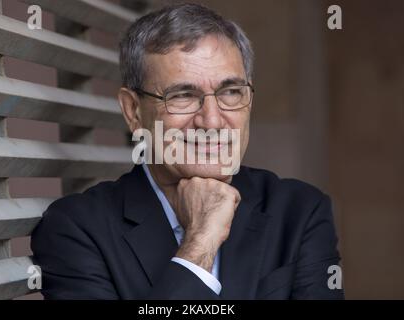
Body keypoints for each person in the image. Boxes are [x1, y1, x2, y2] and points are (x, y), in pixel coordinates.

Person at [31, 3, 344, 300]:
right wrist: (199, 243)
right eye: (182, 95)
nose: (211, 120)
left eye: (231, 92)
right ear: (133, 112)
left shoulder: (299, 212)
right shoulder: (76, 229)